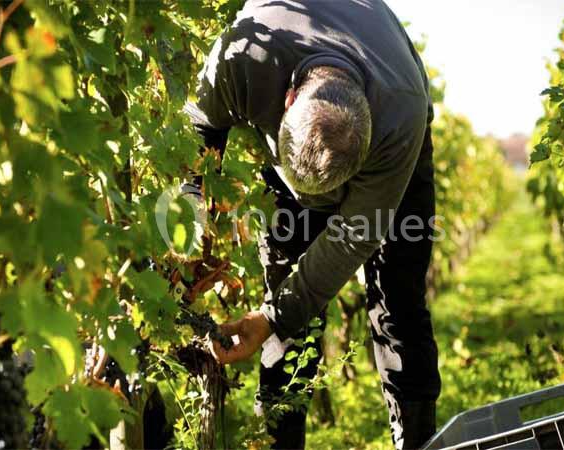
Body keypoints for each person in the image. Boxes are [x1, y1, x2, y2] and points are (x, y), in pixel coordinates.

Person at [185, 0, 440, 448]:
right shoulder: (243, 56)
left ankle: (416, 443)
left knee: (399, 301)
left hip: (397, 132)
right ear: (287, 100)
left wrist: (270, 316)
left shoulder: (399, 117)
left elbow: (350, 241)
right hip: (291, 97)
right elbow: (200, 130)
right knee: (285, 292)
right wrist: (191, 227)